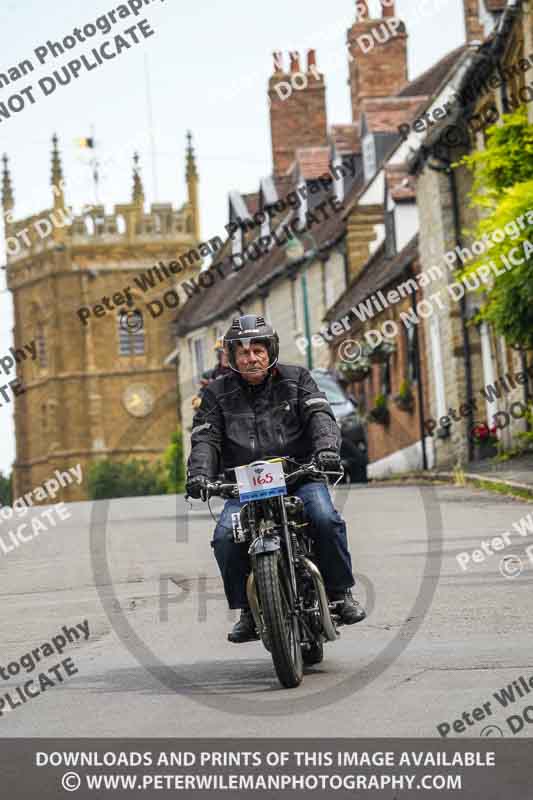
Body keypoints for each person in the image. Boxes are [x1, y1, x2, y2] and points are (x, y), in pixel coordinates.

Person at [186, 315, 366, 643]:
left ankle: (341, 594)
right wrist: (199, 474)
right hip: (243, 486)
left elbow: (320, 417)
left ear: (270, 351)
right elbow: (206, 438)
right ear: (232, 357)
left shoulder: (297, 379)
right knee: (225, 538)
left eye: (257, 350)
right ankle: (247, 611)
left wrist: (326, 450)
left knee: (325, 519)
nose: (251, 357)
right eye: (243, 352)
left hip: (299, 475)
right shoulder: (216, 394)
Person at [191, 339, 231, 410]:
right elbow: (201, 396)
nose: (226, 357)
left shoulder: (241, 373)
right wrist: (199, 402)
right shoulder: (209, 375)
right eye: (223, 354)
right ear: (219, 356)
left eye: (228, 354)